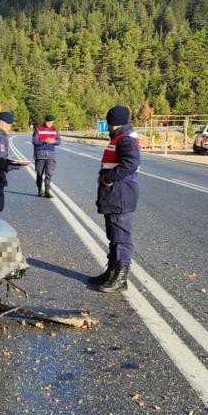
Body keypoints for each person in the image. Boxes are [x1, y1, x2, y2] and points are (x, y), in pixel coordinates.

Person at [87, 105, 141, 294]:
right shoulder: (122, 137)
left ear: (111, 122)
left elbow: (131, 162)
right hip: (116, 194)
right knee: (114, 237)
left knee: (121, 238)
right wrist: (104, 175)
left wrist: (109, 177)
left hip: (120, 194)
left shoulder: (125, 139)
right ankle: (111, 272)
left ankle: (121, 278)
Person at [32, 113, 61, 198]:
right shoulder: (38, 129)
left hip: (51, 155)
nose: (50, 124)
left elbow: (59, 141)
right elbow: (34, 141)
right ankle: (39, 189)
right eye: (48, 122)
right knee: (39, 174)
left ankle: (47, 191)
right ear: (45, 121)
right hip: (40, 154)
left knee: (49, 174)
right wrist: (45, 140)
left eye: (51, 122)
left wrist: (54, 141)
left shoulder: (54, 130)